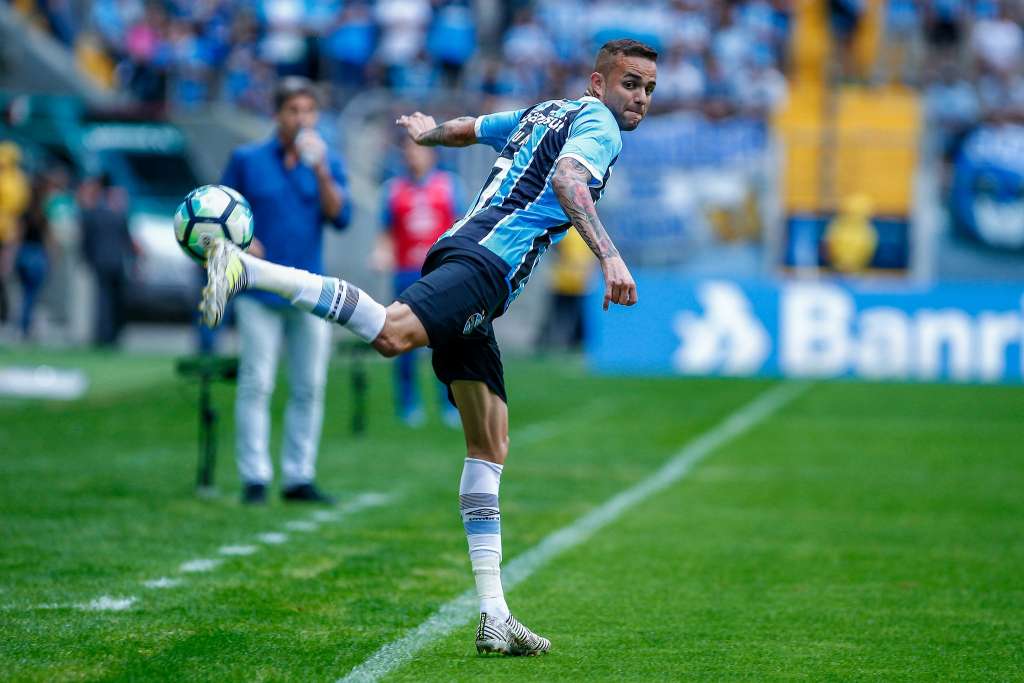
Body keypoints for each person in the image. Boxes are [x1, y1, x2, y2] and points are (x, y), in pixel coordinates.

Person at [201, 39, 656, 655]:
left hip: (472, 265)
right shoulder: (598, 124)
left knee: (490, 441)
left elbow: (471, 128)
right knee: (390, 334)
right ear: (598, 84)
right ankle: (246, 272)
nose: (641, 99)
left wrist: (426, 133)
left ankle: (495, 615)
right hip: (483, 264)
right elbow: (570, 177)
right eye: (631, 83)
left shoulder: (543, 111)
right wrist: (609, 254)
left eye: (649, 88)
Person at [220, 76, 351, 506]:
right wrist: (240, 238)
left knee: (309, 386)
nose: (301, 119)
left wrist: (321, 169)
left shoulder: (325, 160)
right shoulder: (247, 159)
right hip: (259, 289)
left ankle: (299, 476)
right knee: (256, 383)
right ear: (278, 114)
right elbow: (220, 213)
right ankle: (254, 476)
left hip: (310, 289)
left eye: (308, 111)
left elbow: (341, 217)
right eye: (293, 110)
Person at [372, 136, 463, 427]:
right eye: (409, 150)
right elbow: (385, 231)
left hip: (441, 274)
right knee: (404, 341)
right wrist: (381, 252)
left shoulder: (450, 186)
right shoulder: (392, 190)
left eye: (419, 151)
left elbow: (462, 225)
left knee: (447, 343)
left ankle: (450, 403)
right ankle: (408, 403)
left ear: (432, 155)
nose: (414, 156)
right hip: (406, 274)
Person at [80, 175, 136, 347]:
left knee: (103, 301)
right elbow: (127, 241)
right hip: (116, 262)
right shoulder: (119, 215)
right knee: (112, 300)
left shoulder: (94, 214)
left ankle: (102, 335)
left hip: (100, 261)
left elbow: (86, 240)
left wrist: (87, 258)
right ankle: (111, 336)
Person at [14, 177, 56, 340]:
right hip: (37, 254)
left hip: (24, 253)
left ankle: (23, 326)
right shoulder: (45, 213)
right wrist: (51, 257)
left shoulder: (24, 212)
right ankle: (26, 327)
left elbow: (17, 237)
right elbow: (49, 239)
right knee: (33, 295)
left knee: (24, 293)